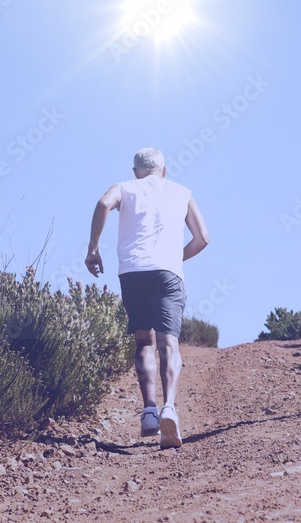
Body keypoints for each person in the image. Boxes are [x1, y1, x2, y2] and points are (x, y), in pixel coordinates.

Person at [85, 147, 210, 448]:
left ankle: (149, 411)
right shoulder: (182, 192)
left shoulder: (124, 188)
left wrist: (92, 248)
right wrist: (174, 259)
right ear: (163, 171)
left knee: (144, 341)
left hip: (132, 273)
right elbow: (203, 238)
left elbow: (103, 203)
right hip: (168, 273)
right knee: (169, 342)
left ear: (135, 171)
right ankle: (170, 408)